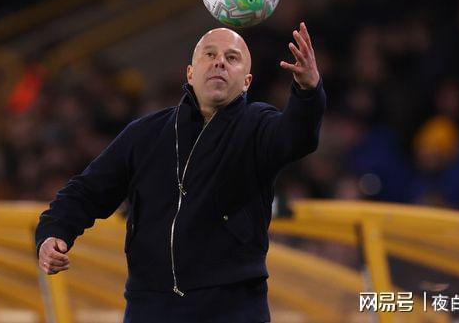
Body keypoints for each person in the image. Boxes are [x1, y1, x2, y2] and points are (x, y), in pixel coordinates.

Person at [35, 22, 326, 322]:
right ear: (190, 73)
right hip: (150, 307)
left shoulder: (258, 125)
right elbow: (86, 192)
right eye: (210, 54)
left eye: (232, 58)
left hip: (233, 308)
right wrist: (53, 233)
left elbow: (297, 137)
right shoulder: (145, 133)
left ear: (246, 82)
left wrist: (308, 90)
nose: (220, 62)